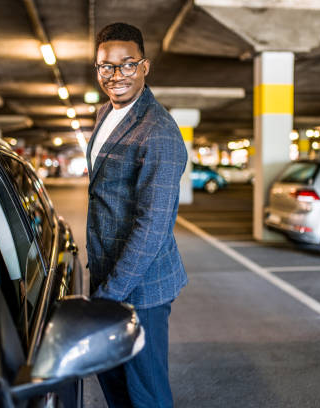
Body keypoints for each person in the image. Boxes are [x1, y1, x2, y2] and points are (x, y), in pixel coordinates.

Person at [85, 22, 188, 408]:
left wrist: (108, 296)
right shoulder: (104, 114)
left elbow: (153, 226)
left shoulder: (157, 131)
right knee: (112, 379)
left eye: (127, 65)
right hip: (109, 276)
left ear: (145, 67)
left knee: (146, 393)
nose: (116, 76)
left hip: (140, 288)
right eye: (106, 66)